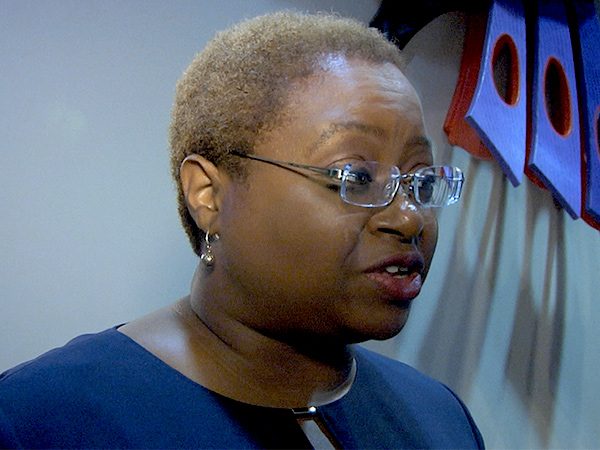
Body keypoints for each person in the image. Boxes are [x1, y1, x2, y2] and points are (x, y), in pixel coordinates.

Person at [0, 11, 483, 449]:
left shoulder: (440, 417)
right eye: (355, 178)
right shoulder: (42, 422)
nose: (409, 218)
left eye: (421, 180)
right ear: (208, 195)